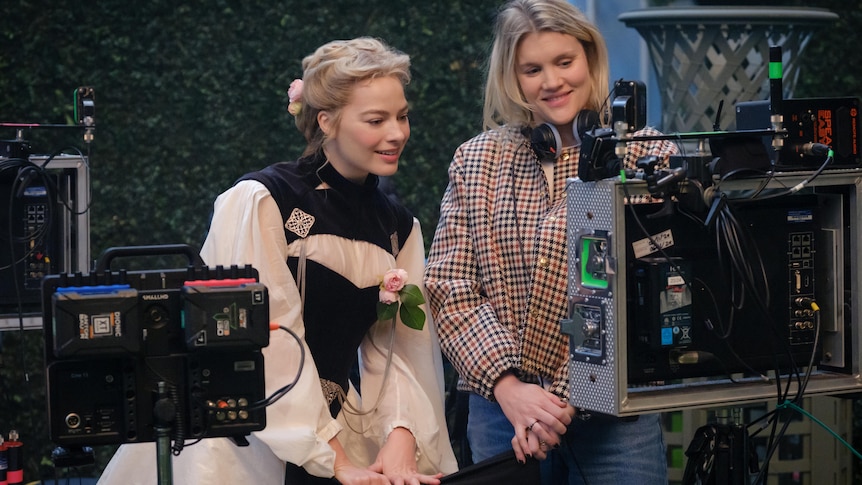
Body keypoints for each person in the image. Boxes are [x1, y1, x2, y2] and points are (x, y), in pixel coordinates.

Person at [98, 37, 457, 485]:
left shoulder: (398, 226)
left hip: (337, 435)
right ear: (326, 121)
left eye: (402, 116)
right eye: (376, 120)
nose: (397, 133)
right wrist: (333, 458)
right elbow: (265, 341)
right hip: (241, 440)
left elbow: (402, 352)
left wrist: (401, 437)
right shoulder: (264, 200)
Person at [423, 1, 678, 484]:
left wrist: (559, 400)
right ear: (512, 77)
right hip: (502, 413)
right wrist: (509, 388)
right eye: (533, 69)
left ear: (590, 59)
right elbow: (448, 286)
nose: (552, 81)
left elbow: (637, 292)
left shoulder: (644, 153)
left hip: (614, 417)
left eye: (565, 62)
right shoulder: (477, 160)